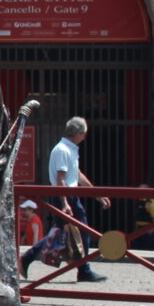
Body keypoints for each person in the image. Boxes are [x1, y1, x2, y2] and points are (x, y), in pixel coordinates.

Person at [24, 116, 105, 284]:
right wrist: (65, 203)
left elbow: (76, 175)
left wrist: (96, 193)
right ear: (78, 133)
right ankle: (84, 270)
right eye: (84, 133)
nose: (85, 137)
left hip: (69, 196)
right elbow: (61, 179)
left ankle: (26, 259)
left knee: (62, 234)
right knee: (82, 233)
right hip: (66, 197)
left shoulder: (70, 149)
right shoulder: (62, 150)